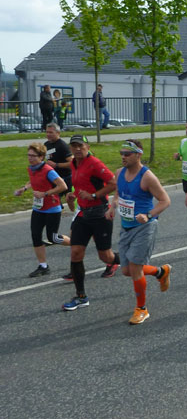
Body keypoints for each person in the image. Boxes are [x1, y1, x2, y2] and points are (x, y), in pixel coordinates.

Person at [107, 139, 172, 325]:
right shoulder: (119, 173)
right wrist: (113, 206)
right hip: (126, 227)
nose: (123, 157)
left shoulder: (147, 177)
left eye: (127, 154)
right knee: (126, 270)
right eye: (121, 153)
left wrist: (148, 215)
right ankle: (161, 272)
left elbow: (165, 200)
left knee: (135, 268)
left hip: (144, 227)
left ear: (138, 155)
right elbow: (118, 193)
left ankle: (142, 309)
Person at [63, 134, 120, 311]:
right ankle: (81, 297)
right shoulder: (73, 163)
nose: (77, 149)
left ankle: (133, 260)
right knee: (76, 252)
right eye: (74, 146)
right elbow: (82, 185)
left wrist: (94, 195)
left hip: (100, 213)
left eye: (81, 146)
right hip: (83, 214)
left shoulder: (95, 163)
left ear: (87, 147)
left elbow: (113, 183)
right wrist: (73, 195)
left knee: (106, 257)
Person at [14, 143, 71, 277]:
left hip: (52, 208)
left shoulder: (48, 170)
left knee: (53, 238)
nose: (30, 158)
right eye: (28, 155)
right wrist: (24, 188)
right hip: (38, 208)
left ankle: (76, 244)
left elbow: (63, 186)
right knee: (36, 236)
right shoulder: (32, 168)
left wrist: (45, 193)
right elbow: (32, 181)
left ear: (41, 157)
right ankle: (43, 266)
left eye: (33, 156)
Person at [43, 123, 73, 202]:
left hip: (66, 177)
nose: (48, 134)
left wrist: (56, 165)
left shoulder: (62, 146)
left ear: (58, 133)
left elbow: (73, 163)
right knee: (54, 199)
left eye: (51, 132)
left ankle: (74, 210)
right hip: (54, 178)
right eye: (47, 132)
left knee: (69, 199)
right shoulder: (46, 145)